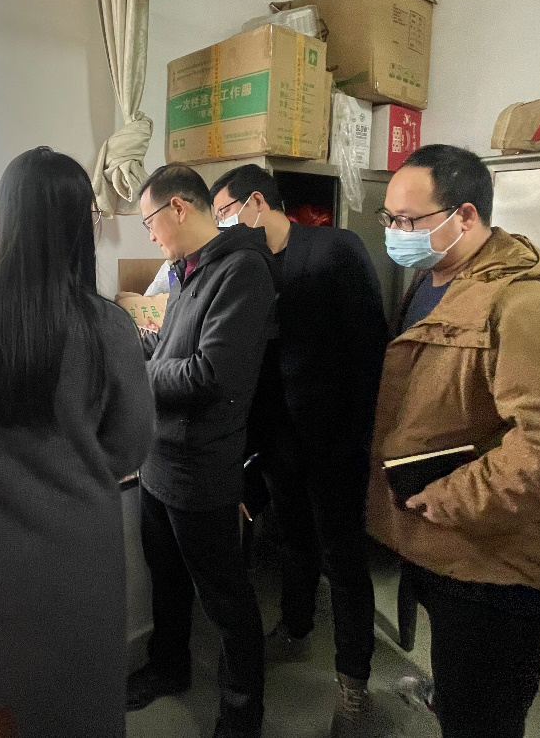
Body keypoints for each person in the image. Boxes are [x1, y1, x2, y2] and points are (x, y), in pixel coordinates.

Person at [366, 145, 540, 738]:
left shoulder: (525, 304)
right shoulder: (436, 279)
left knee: (483, 717)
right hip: (444, 547)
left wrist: (450, 499)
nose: (396, 233)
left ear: (465, 216)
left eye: (408, 220)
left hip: (493, 564)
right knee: (460, 693)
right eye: (389, 218)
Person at [0, 147, 153, 738]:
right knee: (79, 709)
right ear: (81, 226)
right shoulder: (107, 327)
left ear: (3, 216)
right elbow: (129, 448)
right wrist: (69, 453)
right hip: (77, 559)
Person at [210, 164, 388, 735]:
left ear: (255, 202)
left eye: (224, 213)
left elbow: (371, 348)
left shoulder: (333, 249)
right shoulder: (245, 266)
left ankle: (353, 682)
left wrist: (361, 436)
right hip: (276, 439)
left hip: (335, 440)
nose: (222, 226)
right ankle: (296, 626)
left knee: (344, 557)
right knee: (292, 541)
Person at [127, 163, 277, 738]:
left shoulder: (242, 271)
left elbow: (211, 374)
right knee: (165, 578)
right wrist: (123, 343)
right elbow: (170, 349)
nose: (150, 235)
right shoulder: (186, 270)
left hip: (200, 469)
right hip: (158, 461)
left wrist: (134, 375)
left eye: (149, 222)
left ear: (178, 208)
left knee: (225, 599)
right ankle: (169, 668)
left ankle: (241, 714)